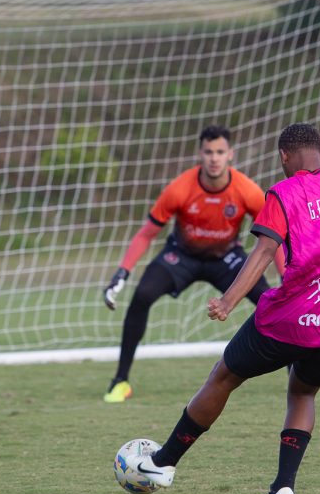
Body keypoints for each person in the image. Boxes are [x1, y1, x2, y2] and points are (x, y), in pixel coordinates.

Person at [128, 124, 320, 494]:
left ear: (284, 156)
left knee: (225, 375)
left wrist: (228, 301)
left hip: (291, 318)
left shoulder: (283, 193)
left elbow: (264, 251)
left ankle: (163, 463)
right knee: (302, 391)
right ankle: (283, 489)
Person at [101, 125, 282, 403]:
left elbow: (274, 236)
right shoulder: (180, 188)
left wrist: (286, 275)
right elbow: (147, 233)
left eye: (220, 152)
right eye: (208, 152)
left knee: (271, 303)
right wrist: (122, 272)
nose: (214, 158)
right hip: (181, 256)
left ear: (230, 155)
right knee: (143, 296)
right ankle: (120, 381)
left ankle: (296, 369)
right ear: (200, 154)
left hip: (227, 258)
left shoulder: (247, 190)